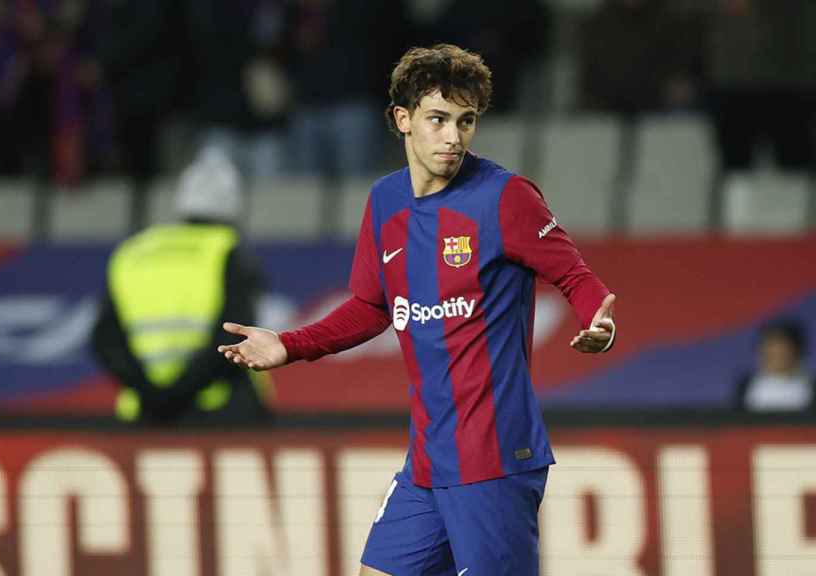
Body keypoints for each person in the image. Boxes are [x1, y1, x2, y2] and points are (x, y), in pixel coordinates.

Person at [219, 44, 616, 575]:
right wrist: (289, 345)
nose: (453, 137)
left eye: (466, 121)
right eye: (438, 119)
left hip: (495, 461)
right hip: (429, 462)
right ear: (402, 120)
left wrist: (599, 321)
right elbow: (369, 307)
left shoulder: (505, 197)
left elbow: (574, 275)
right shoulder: (385, 202)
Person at [91, 147, 271, 426]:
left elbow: (104, 340)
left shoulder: (133, 252)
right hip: (221, 411)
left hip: (144, 414)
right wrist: (181, 392)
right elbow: (239, 337)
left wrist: (152, 393)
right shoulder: (228, 251)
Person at [734, 319, 815, 413]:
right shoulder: (745, 386)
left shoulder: (811, 386)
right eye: (769, 351)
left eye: (781, 351)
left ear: (796, 351)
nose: (775, 356)